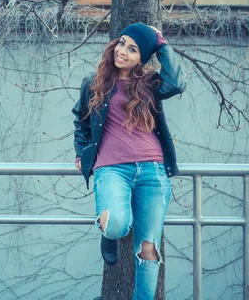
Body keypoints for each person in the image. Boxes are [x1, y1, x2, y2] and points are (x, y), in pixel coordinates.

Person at [72, 22, 186, 300]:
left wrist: (161, 44)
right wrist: (81, 151)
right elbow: (81, 120)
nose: (122, 51)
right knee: (116, 224)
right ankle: (107, 234)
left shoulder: (149, 84)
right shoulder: (94, 82)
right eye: (122, 43)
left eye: (132, 49)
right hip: (111, 168)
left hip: (153, 171)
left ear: (141, 59)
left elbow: (177, 82)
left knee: (148, 249)